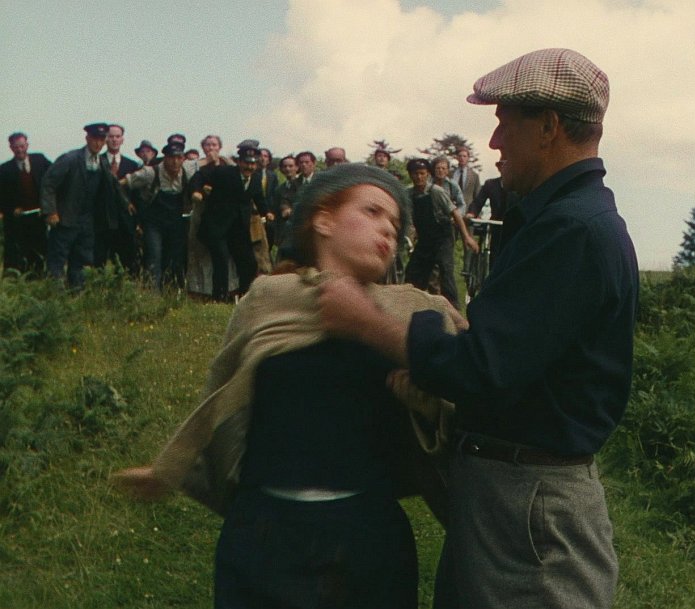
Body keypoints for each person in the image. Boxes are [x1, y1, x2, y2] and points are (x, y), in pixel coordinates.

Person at [318, 48, 639, 609]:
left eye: (504, 123)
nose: (494, 142)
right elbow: (516, 359)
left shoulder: (573, 230)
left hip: (531, 509)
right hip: (512, 496)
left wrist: (367, 321)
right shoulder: (560, 221)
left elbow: (482, 368)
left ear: (549, 127)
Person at [112, 163, 461, 609]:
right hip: (265, 535)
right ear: (323, 219)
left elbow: (465, 400)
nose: (388, 231)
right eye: (372, 212)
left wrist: (427, 407)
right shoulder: (267, 299)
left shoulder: (412, 312)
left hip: (367, 541)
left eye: (395, 224)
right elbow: (222, 390)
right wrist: (171, 465)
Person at [40, 122, 125, 289]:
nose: (98, 143)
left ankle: (77, 296)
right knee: (57, 261)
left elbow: (113, 186)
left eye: (101, 140)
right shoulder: (70, 159)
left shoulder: (102, 163)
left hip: (87, 222)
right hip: (65, 220)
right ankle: (55, 297)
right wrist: (50, 211)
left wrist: (126, 204)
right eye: (94, 139)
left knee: (81, 262)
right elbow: (48, 183)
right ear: (87, 138)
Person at [121, 140, 201, 290]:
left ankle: (172, 293)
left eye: (179, 158)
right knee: (154, 257)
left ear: (183, 159)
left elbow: (206, 168)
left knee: (175, 259)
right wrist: (126, 202)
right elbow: (122, 183)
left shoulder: (187, 172)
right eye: (171, 158)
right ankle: (153, 295)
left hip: (175, 222)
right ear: (165, 158)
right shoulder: (150, 173)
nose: (175, 162)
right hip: (153, 223)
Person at [190, 142, 264, 302]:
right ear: (239, 162)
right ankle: (220, 298)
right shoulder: (224, 172)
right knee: (221, 260)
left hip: (238, 230)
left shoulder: (256, 179)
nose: (249, 167)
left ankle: (245, 297)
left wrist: (269, 213)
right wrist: (197, 191)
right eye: (246, 163)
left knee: (249, 262)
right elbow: (199, 176)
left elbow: (259, 199)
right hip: (216, 227)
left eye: (253, 164)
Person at [403, 158, 477, 310]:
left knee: (445, 269)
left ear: (428, 174)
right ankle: (412, 306)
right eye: (415, 174)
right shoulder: (408, 194)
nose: (419, 177)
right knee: (413, 273)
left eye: (422, 173)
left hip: (443, 237)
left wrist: (466, 237)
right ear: (410, 175)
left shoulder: (437, 191)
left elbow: (455, 213)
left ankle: (453, 309)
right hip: (425, 239)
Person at [186, 134, 238, 299]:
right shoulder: (196, 165)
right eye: (207, 145)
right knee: (199, 252)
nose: (211, 148)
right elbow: (188, 177)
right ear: (203, 147)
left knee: (224, 255)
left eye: (214, 145)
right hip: (202, 213)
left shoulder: (228, 163)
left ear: (219, 147)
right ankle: (200, 290)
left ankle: (227, 289)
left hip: (224, 215)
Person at [0, 132, 51, 275]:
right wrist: (11, 209)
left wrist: (48, 206)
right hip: (17, 221)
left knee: (40, 251)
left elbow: (53, 180)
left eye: (22, 146)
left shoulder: (40, 160)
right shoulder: (4, 170)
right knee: (19, 253)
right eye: (16, 147)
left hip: (39, 216)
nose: (20, 150)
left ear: (27, 145)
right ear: (11, 148)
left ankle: (40, 278)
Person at [95, 124, 140, 274]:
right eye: (111, 136)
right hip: (101, 220)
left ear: (122, 140)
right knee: (99, 261)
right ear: (105, 139)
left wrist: (137, 221)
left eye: (117, 136)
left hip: (125, 221)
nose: (114, 140)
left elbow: (137, 195)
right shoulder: (97, 161)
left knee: (127, 262)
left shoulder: (132, 165)